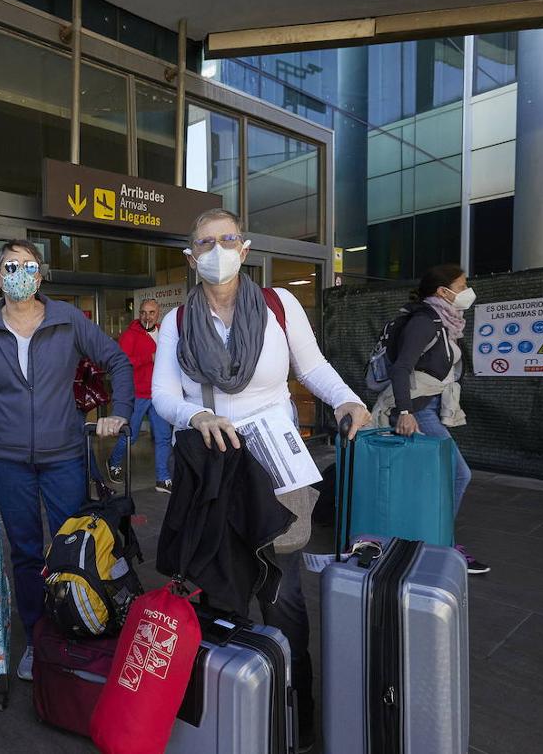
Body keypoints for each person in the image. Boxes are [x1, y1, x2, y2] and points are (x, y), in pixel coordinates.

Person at [151, 208, 372, 752]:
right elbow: (162, 396)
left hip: (276, 461)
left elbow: (311, 366)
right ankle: (235, 709)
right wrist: (194, 416)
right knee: (223, 588)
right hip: (214, 464)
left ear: (244, 248)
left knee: (283, 591)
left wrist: (347, 398)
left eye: (227, 239)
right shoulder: (176, 322)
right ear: (191, 256)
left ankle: (296, 718)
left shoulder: (278, 305)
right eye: (205, 242)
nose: (217, 249)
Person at [0, 240, 134, 682]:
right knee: (23, 552)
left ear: (39, 277)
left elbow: (117, 359)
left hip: (63, 454)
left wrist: (121, 412)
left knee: (70, 546)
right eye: (10, 266)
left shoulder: (67, 319)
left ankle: (74, 633)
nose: (19, 272)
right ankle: (39, 641)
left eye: (28, 266)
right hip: (7, 457)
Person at [373, 263, 489, 575]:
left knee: (430, 479)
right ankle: (438, 544)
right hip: (418, 409)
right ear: (443, 291)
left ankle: (424, 541)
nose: (467, 292)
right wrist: (406, 412)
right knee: (457, 474)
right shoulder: (425, 321)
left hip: (428, 406)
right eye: (463, 285)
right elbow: (401, 367)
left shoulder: (444, 321)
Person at [105, 298, 173, 493]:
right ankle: (114, 462)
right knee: (131, 435)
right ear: (139, 314)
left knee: (163, 437)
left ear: (158, 313)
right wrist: (148, 358)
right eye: (143, 312)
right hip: (138, 394)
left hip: (159, 393)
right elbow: (123, 363)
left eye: (151, 312)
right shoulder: (130, 335)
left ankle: (163, 478)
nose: (147, 316)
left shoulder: (165, 332)